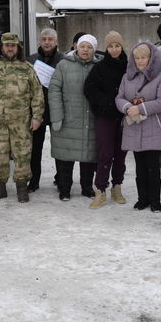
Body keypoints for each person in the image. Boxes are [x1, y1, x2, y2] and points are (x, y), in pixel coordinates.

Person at [0, 32, 44, 203]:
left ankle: (22, 187)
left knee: (22, 155)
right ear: (1, 47)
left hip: (22, 122)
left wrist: (37, 117)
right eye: (7, 45)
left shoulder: (27, 68)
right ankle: (0, 187)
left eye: (13, 45)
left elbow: (37, 94)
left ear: (17, 48)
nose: (10, 48)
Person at [115, 42, 161, 212]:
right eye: (137, 58)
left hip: (153, 128)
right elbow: (120, 98)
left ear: (151, 59)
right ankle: (142, 199)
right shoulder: (127, 77)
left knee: (153, 167)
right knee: (140, 168)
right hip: (134, 128)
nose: (140, 61)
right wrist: (126, 108)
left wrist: (138, 108)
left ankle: (155, 201)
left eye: (143, 58)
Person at [48, 34, 101, 202]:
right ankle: (64, 188)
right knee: (65, 156)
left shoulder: (99, 66)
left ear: (94, 50)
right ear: (76, 47)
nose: (86, 50)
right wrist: (56, 115)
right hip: (68, 119)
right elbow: (54, 90)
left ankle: (86, 187)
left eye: (89, 47)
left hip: (91, 119)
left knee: (88, 156)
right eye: (83, 46)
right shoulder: (63, 65)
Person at [84, 31, 129, 208]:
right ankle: (100, 190)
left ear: (122, 46)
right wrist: (107, 103)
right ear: (106, 48)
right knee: (105, 154)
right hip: (105, 116)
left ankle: (117, 187)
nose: (114, 49)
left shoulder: (129, 66)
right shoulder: (100, 68)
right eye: (110, 46)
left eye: (117, 45)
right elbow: (89, 89)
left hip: (124, 117)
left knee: (121, 154)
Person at [27, 28, 64, 192]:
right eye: (44, 39)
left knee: (60, 148)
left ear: (56, 41)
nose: (47, 42)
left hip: (57, 109)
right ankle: (34, 181)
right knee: (35, 149)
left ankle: (61, 179)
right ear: (40, 42)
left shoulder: (63, 61)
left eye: (50, 39)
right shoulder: (31, 60)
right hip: (37, 111)